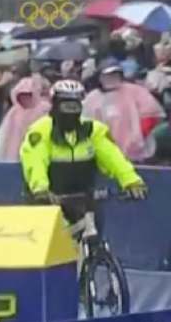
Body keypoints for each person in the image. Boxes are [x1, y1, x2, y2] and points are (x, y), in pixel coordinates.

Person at [20, 80, 147, 223]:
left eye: (75, 106)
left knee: (95, 238)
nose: (70, 111)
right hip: (49, 201)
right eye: (66, 106)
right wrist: (41, 190)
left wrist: (131, 181)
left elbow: (113, 157)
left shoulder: (93, 129)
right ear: (55, 105)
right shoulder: (40, 130)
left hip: (85, 200)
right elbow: (35, 161)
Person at [83, 63, 165, 162]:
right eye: (108, 75)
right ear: (99, 77)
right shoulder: (92, 98)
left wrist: (137, 139)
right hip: (104, 155)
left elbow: (151, 115)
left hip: (138, 155)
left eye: (115, 74)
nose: (112, 78)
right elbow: (85, 125)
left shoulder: (136, 91)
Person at [0, 77, 50, 162]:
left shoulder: (45, 109)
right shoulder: (13, 112)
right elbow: (3, 135)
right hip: (13, 154)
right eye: (22, 95)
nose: (25, 98)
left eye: (28, 94)